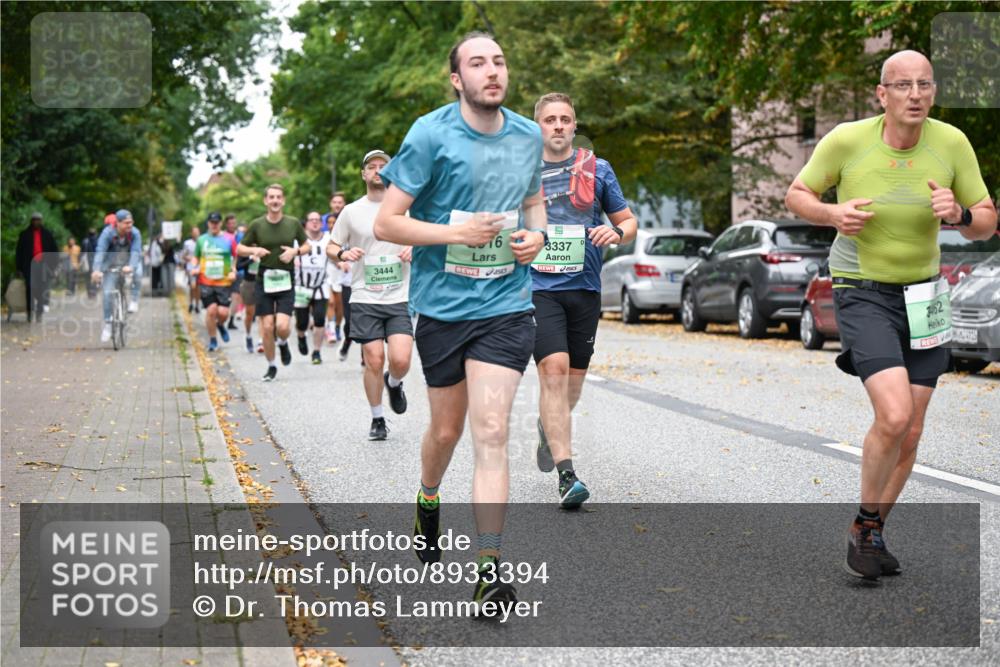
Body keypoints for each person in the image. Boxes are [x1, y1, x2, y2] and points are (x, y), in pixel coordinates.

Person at [785, 50, 997, 581]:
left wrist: (960, 214)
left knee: (914, 429)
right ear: (883, 94)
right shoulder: (847, 141)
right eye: (903, 85)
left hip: (925, 296)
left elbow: (987, 221)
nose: (916, 95)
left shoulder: (951, 143)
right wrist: (833, 213)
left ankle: (870, 532)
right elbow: (798, 194)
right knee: (896, 414)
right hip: (863, 290)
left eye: (924, 84)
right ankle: (865, 521)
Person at [374, 32, 547, 606]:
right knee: (446, 432)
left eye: (499, 61)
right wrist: (454, 233)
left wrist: (537, 237)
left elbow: (533, 201)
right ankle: (428, 497)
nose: (491, 71)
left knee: (492, 432)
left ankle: (488, 569)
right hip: (444, 309)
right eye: (477, 63)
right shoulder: (429, 134)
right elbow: (387, 224)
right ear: (457, 80)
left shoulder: (527, 135)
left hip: (507, 304)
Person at [530, 92, 638, 508]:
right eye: (550, 119)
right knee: (553, 372)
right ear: (538, 126)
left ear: (574, 126)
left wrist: (618, 233)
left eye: (565, 119)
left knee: (570, 388)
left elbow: (627, 221)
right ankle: (567, 476)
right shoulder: (523, 173)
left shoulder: (598, 169)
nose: (558, 125)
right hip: (538, 289)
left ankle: (547, 425)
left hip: (585, 289)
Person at [330, 150, 414, 440]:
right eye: (372, 167)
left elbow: (427, 239)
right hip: (365, 295)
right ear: (363, 174)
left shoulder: (407, 208)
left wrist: (415, 248)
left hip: (399, 295)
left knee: (401, 360)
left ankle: (394, 382)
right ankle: (377, 419)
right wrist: (342, 252)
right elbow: (331, 246)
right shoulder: (351, 211)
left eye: (383, 166)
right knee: (374, 358)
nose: (377, 171)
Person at [237, 184, 310, 382]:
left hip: (286, 280)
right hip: (264, 281)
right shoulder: (257, 225)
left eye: (278, 197)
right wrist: (254, 251)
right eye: (271, 197)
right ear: (266, 201)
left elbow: (307, 245)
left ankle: (283, 342)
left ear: (283, 200)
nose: (275, 200)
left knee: (283, 326)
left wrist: (294, 252)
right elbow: (239, 248)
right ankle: (271, 366)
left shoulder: (293, 223)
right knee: (267, 327)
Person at [91, 209, 143, 343]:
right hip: (111, 263)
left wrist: (131, 266)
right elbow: (100, 251)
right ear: (117, 223)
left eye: (131, 222)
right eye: (126, 223)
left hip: (129, 261)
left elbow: (136, 252)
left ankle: (134, 300)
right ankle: (108, 324)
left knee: (138, 273)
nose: (130, 225)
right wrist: (96, 270)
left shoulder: (135, 233)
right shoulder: (107, 233)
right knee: (107, 293)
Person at [193, 213, 238, 351]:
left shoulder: (229, 239)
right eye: (212, 222)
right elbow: (196, 257)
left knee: (223, 313)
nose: (214, 225)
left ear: (220, 224)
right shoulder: (201, 240)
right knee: (211, 311)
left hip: (224, 282)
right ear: (208, 223)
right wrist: (194, 267)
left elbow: (235, 257)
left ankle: (220, 325)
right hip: (206, 281)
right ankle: (213, 339)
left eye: (217, 222)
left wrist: (233, 271)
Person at [294, 212, 334, 364]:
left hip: (320, 285)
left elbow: (334, 256)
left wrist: (341, 262)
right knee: (302, 322)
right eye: (312, 220)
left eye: (318, 220)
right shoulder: (298, 240)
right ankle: (301, 336)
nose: (315, 223)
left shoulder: (328, 239)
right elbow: (290, 254)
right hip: (302, 285)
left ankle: (316, 352)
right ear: (306, 223)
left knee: (319, 319)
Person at [14, 212, 58, 321]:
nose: (36, 222)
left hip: (43, 266)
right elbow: (19, 252)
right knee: (29, 288)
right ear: (31, 221)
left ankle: (39, 311)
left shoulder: (47, 234)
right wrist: (19, 268)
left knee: (42, 289)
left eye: (38, 220)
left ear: (41, 221)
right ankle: (30, 311)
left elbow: (54, 251)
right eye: (34, 219)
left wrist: (53, 266)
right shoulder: (24, 234)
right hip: (29, 265)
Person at [323, 192, 348, 343]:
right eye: (335, 202)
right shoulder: (325, 232)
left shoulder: (349, 224)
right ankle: (330, 329)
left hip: (344, 275)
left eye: (340, 202)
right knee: (331, 302)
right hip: (328, 273)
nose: (337, 205)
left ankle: (338, 326)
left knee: (340, 306)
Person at [224, 214, 243, 330]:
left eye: (233, 223)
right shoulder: (223, 236)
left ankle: (231, 320)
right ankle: (222, 317)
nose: (232, 225)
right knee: (225, 296)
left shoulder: (240, 236)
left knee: (236, 296)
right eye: (229, 223)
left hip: (239, 271)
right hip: (224, 271)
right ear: (226, 224)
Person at [182, 226, 202, 313]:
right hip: (191, 267)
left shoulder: (202, 242)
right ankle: (191, 303)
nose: (196, 234)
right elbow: (183, 255)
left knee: (198, 288)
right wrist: (189, 258)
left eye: (197, 232)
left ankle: (197, 305)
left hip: (200, 267)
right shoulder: (187, 243)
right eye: (194, 232)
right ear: (191, 233)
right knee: (192, 287)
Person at [82, 227, 99, 299]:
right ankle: (94, 292)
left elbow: (82, 253)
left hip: (87, 262)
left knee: (88, 278)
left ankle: (89, 293)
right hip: (96, 261)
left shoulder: (85, 241)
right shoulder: (98, 241)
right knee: (95, 277)